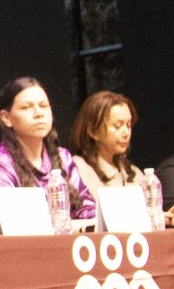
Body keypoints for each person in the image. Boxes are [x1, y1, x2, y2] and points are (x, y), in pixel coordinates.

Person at [0, 76, 97, 233]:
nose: (38, 113)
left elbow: (87, 208)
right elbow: (10, 222)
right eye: (27, 107)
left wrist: (92, 222)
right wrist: (67, 226)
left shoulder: (62, 157)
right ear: (6, 118)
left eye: (44, 106)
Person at [69, 90, 165, 220]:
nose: (126, 133)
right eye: (118, 126)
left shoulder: (134, 173)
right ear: (92, 131)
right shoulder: (77, 169)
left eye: (128, 125)